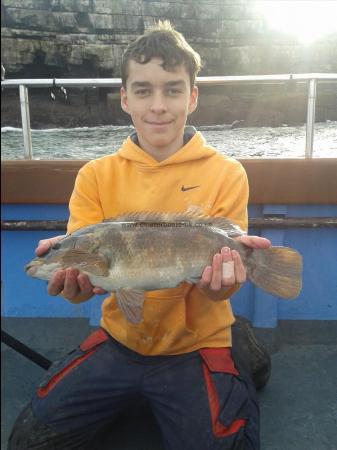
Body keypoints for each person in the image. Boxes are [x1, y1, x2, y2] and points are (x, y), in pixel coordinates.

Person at [8, 21, 271, 450]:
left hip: (197, 343)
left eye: (172, 89)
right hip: (121, 341)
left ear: (193, 96)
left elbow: (220, 288)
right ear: (125, 99)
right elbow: (83, 288)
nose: (159, 106)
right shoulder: (95, 176)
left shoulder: (227, 173)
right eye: (144, 90)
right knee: (28, 442)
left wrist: (228, 283)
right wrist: (73, 287)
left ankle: (240, 344)